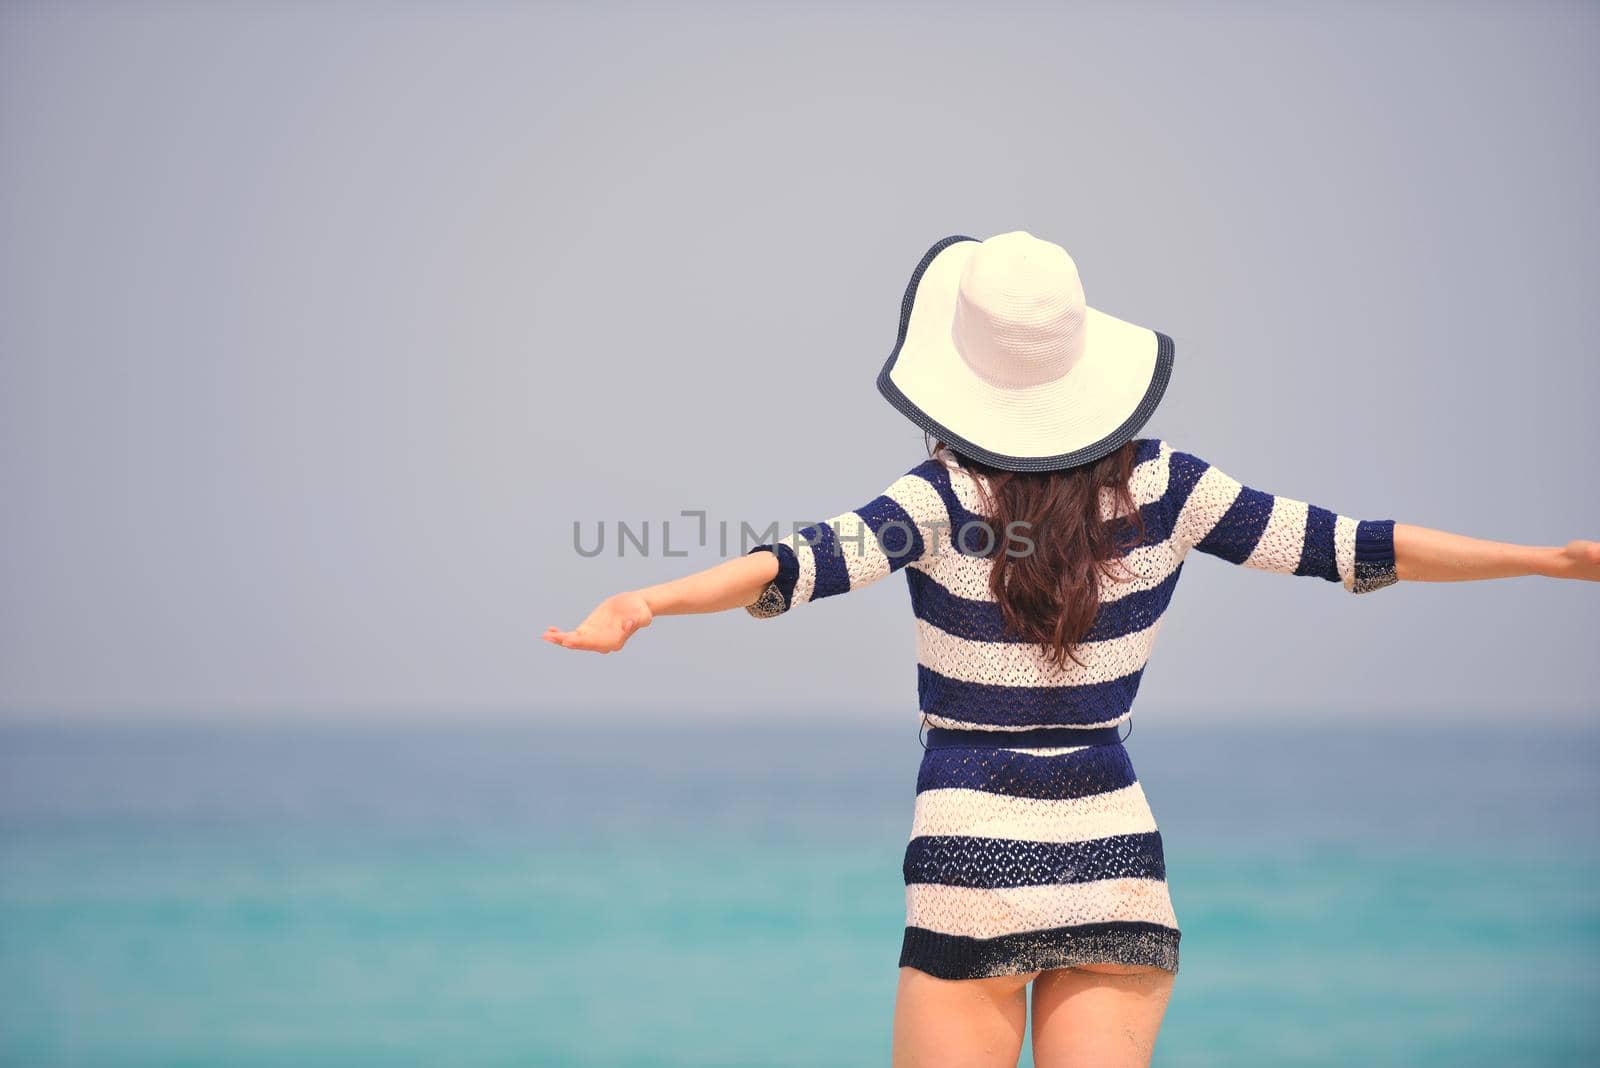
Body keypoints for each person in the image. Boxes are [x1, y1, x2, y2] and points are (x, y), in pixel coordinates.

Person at [544, 231, 1599, 1068]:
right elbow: (1358, 547)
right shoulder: (1169, 488)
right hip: (1115, 858)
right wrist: (1549, 560)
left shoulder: (939, 498)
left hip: (969, 854)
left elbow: (789, 565)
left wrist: (644, 597)